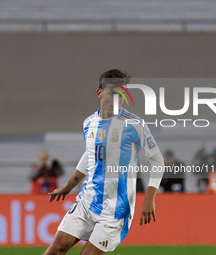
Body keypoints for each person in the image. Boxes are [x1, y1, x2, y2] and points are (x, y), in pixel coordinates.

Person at [43, 69, 164, 255]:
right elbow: (90, 156)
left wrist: (149, 199)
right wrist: (67, 187)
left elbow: (157, 161)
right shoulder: (89, 123)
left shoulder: (134, 125)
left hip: (116, 209)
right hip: (87, 201)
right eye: (112, 93)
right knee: (55, 250)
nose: (117, 99)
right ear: (100, 93)